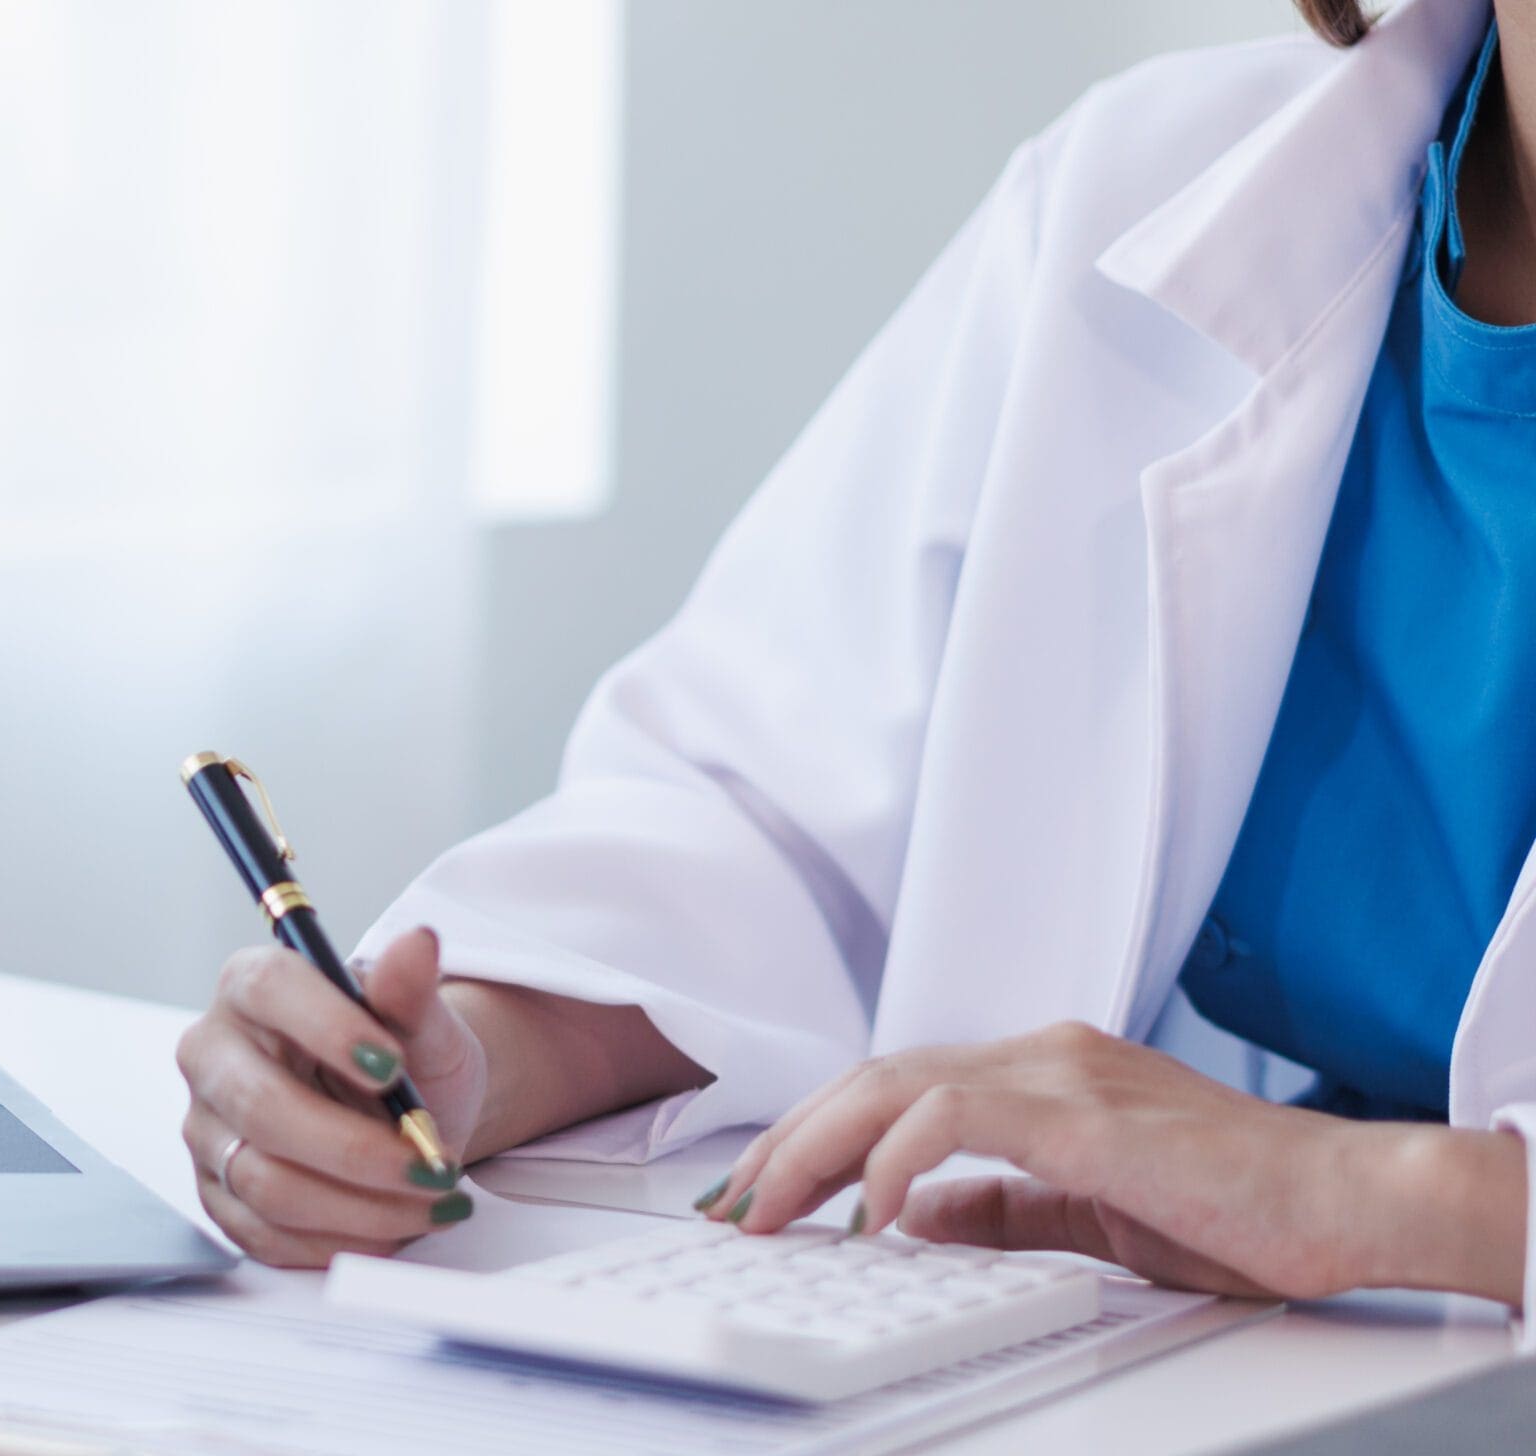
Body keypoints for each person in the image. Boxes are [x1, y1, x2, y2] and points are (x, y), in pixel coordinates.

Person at [173, 0, 1536, 1325]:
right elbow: (784, 821)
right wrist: (453, 1065)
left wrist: (1402, 1200)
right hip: (1247, 1389)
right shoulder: (1149, 188)